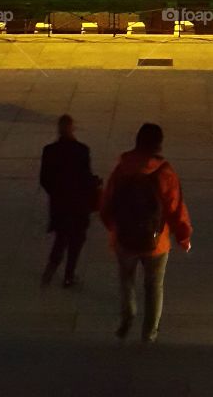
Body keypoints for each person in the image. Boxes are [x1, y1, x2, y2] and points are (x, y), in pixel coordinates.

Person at [101, 123, 192, 343]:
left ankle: (128, 316)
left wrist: (113, 227)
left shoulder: (122, 168)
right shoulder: (165, 172)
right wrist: (183, 237)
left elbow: (107, 203)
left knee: (127, 280)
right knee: (154, 286)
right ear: (158, 145)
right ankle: (149, 333)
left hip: (124, 238)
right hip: (156, 241)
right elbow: (175, 208)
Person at [39, 114, 98, 288]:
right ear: (73, 128)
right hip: (78, 204)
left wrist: (56, 192)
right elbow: (86, 177)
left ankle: (51, 268)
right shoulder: (81, 150)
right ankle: (69, 275)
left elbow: (44, 179)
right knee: (77, 240)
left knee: (61, 237)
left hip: (60, 203)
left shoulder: (49, 150)